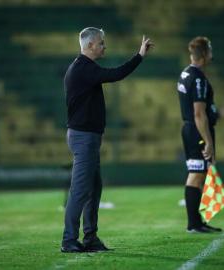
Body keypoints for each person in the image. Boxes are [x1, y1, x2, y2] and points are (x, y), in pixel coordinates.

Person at [61, 27, 153, 253]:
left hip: (87, 137)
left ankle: (90, 239)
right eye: (101, 43)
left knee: (93, 189)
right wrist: (139, 56)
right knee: (81, 190)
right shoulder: (83, 68)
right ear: (90, 45)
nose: (104, 46)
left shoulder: (83, 67)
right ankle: (69, 240)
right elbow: (116, 74)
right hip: (84, 138)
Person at [177, 36, 222, 233]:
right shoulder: (198, 79)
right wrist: (209, 142)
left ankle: (198, 221)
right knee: (196, 174)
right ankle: (193, 224)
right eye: (210, 51)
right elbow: (198, 113)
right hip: (197, 130)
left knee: (201, 173)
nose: (212, 54)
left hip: (191, 128)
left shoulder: (186, 73)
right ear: (204, 55)